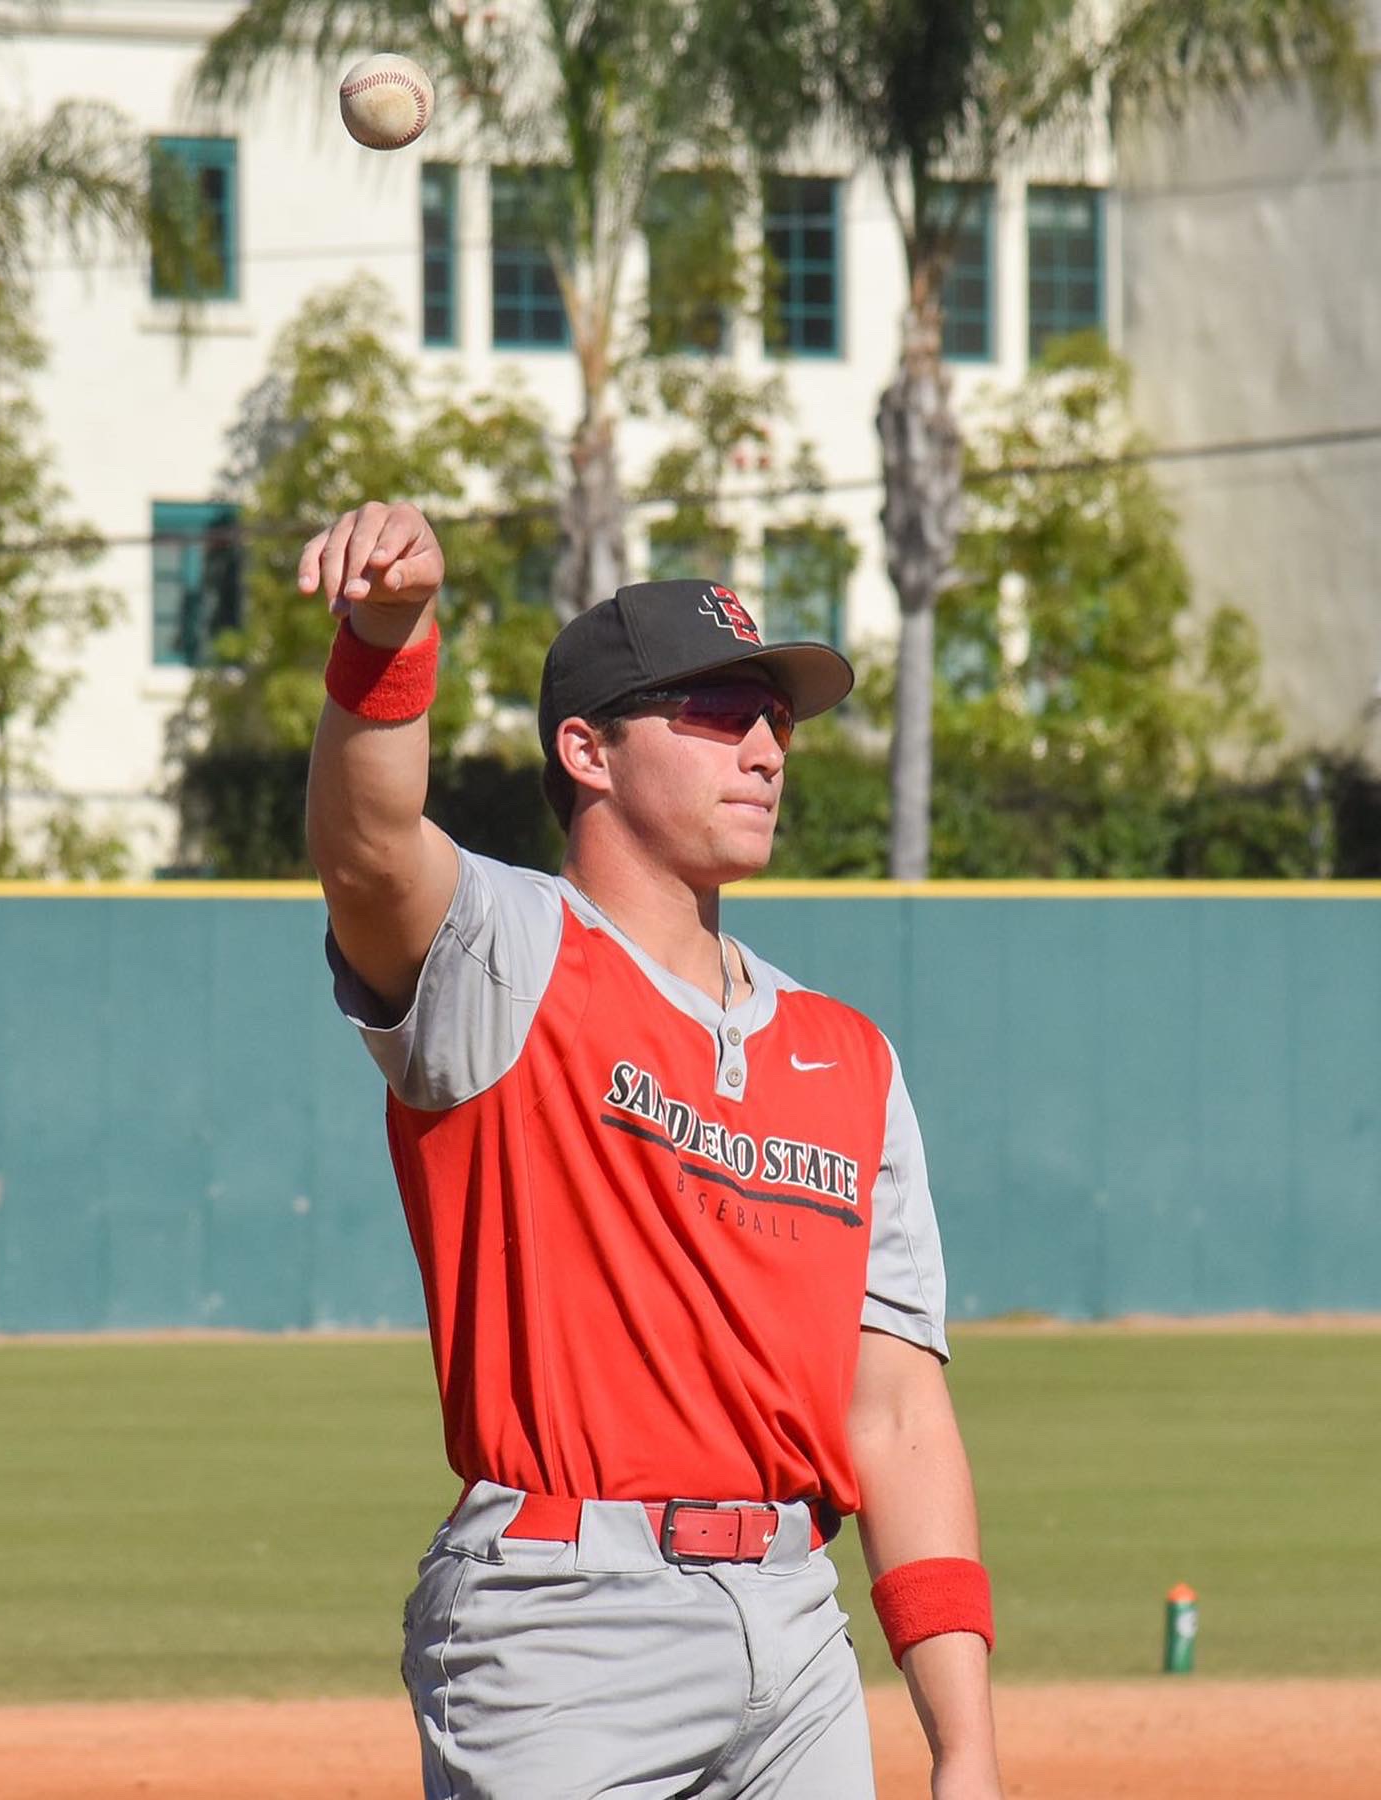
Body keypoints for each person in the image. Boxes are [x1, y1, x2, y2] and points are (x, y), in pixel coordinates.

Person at [301, 499, 1005, 1800]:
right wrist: (391, 638)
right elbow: (367, 848)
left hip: (797, 1629)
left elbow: (896, 1416)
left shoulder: (848, 1059)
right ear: (590, 750)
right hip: (564, 1627)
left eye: (775, 716)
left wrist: (964, 1748)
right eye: (715, 710)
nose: (764, 747)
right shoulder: (507, 957)